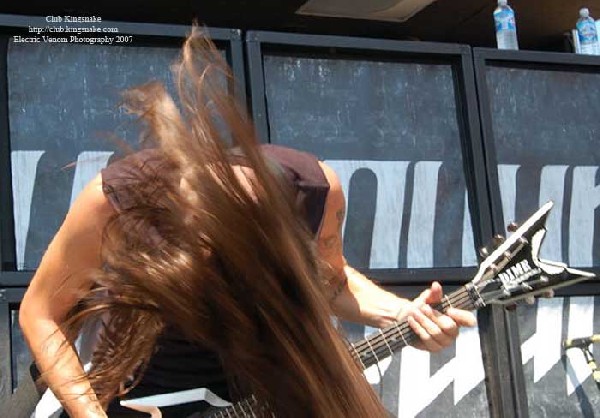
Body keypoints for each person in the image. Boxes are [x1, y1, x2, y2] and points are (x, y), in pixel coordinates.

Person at [10, 30, 475, 418]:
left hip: (255, 388)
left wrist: (403, 314)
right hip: (141, 393)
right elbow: (41, 311)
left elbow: (329, 284)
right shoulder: (116, 198)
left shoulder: (313, 191)